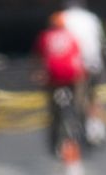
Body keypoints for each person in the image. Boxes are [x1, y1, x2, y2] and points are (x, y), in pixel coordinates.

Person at [38, 11, 89, 157]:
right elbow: (78, 57)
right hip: (72, 78)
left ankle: (55, 143)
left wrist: (38, 74)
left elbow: (39, 58)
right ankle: (81, 138)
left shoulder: (45, 36)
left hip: (53, 79)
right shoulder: (71, 36)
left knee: (54, 113)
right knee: (78, 107)